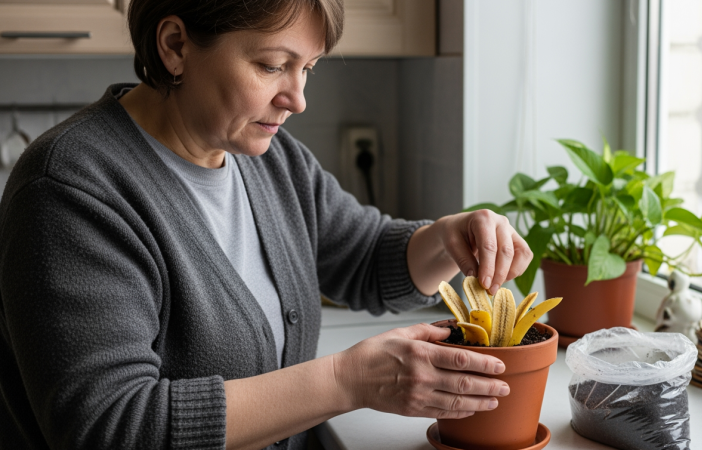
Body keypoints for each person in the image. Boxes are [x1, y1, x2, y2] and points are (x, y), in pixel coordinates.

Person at [0, 1, 534, 449]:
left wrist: (447, 237)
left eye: (308, 68)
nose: (297, 99)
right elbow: (111, 426)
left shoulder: (269, 158)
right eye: (273, 65)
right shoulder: (70, 189)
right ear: (176, 46)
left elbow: (365, 257)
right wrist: (346, 381)